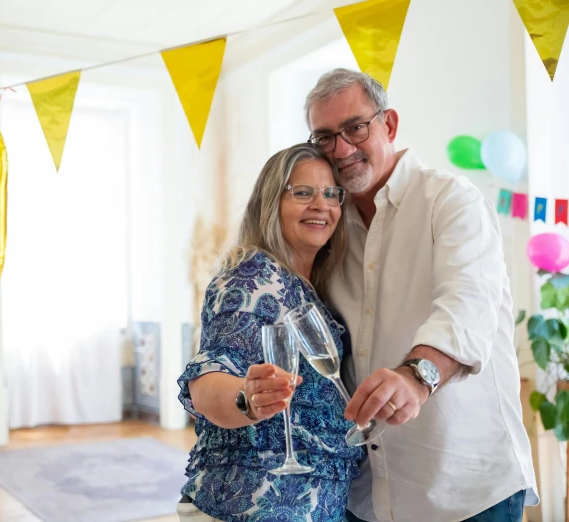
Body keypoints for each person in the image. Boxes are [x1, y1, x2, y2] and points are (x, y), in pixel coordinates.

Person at [303, 68, 538, 522]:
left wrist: (416, 375)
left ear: (388, 124)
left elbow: (467, 302)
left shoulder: (452, 200)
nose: (342, 150)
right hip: (365, 493)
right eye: (325, 137)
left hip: (466, 489)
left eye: (355, 128)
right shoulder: (329, 226)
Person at [175, 143, 365, 522]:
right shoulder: (252, 277)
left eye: (330, 193)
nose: (320, 205)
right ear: (270, 202)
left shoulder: (310, 284)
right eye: (302, 192)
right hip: (250, 506)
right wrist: (246, 398)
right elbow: (207, 378)